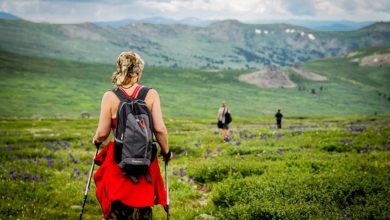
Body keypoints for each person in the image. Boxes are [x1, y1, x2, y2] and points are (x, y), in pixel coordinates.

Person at [92, 51, 173, 220]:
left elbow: (102, 133)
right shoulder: (151, 94)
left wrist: (96, 140)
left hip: (118, 162)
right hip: (145, 163)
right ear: (137, 72)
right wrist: (166, 152)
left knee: (118, 209)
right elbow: (159, 129)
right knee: (143, 210)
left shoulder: (109, 96)